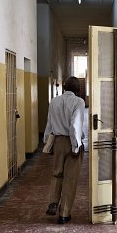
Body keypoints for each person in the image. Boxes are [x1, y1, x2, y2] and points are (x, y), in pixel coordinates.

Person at [43, 76, 85, 224]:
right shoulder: (78, 102)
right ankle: (64, 214)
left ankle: (53, 201)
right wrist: (76, 146)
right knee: (70, 178)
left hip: (57, 141)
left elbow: (49, 124)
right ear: (78, 90)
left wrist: (47, 143)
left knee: (56, 173)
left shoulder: (54, 101)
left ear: (64, 88)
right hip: (71, 141)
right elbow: (75, 126)